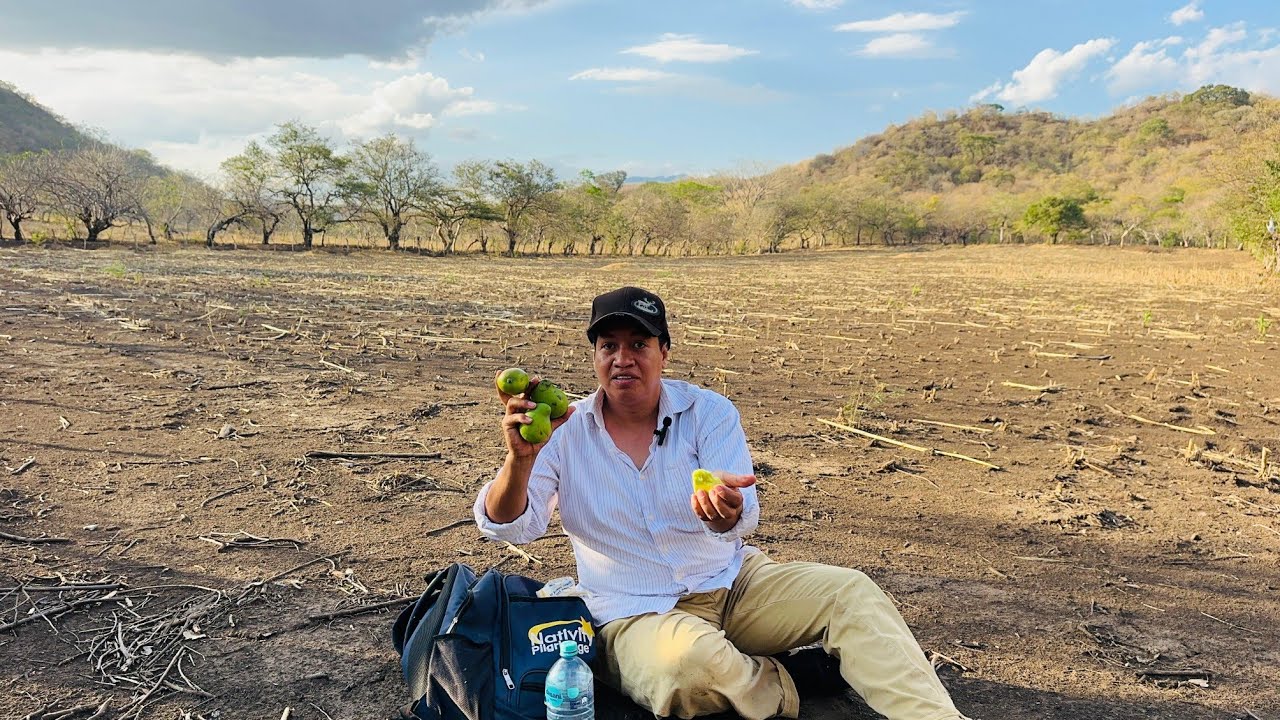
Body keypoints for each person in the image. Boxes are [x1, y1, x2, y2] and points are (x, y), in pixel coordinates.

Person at [473, 286, 971, 720]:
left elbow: (740, 511)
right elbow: (512, 526)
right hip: (630, 610)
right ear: (595, 357)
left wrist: (726, 511)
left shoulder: (707, 411)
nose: (623, 358)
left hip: (729, 582)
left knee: (850, 592)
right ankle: (789, 680)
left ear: (664, 353)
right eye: (609, 346)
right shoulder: (561, 430)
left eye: (639, 344)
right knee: (685, 667)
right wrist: (519, 461)